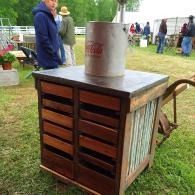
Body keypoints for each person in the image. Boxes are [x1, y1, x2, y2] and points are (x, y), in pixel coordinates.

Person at [32, 0, 61, 69]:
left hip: (52, 57)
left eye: (56, 1)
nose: (54, 3)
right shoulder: (40, 16)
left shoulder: (48, 15)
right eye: (51, 0)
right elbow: (43, 39)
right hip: (48, 58)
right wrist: (53, 53)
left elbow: (53, 34)